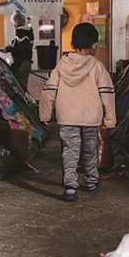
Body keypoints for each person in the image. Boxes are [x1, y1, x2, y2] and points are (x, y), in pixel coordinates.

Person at [39, 23, 116, 202]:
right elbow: (107, 93)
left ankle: (70, 187)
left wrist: (44, 115)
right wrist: (110, 119)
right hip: (91, 117)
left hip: (66, 116)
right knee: (90, 149)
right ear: (94, 44)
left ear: (74, 42)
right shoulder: (97, 66)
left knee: (70, 150)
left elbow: (49, 91)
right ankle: (91, 181)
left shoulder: (61, 65)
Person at [5, 10, 34, 91]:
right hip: (27, 63)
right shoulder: (29, 31)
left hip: (21, 64)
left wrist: (8, 48)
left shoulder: (20, 32)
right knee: (24, 88)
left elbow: (20, 49)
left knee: (19, 89)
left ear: (16, 22)